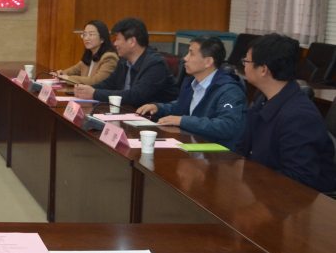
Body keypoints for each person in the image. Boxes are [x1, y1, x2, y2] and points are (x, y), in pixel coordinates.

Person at [234, 34, 336, 193]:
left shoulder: (299, 116)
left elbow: (299, 178)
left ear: (263, 70)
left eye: (246, 61)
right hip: (261, 188)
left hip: (299, 199)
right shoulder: (262, 101)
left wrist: (251, 180)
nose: (244, 66)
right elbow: (243, 147)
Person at [137, 36, 247, 150]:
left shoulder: (229, 90)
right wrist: (157, 108)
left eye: (191, 54)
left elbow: (227, 126)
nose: (185, 58)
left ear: (208, 61)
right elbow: (181, 107)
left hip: (217, 154)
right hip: (191, 146)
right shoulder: (193, 83)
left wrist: (182, 121)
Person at [73, 17, 179, 108]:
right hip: (129, 113)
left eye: (118, 39)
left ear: (132, 41)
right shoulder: (123, 60)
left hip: (154, 120)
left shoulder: (155, 64)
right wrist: (87, 90)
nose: (115, 43)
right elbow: (109, 83)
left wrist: (94, 93)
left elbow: (135, 96)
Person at [54, 20, 118, 85]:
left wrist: (68, 78)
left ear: (102, 39)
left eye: (91, 34)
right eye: (84, 35)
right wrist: (61, 73)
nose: (86, 38)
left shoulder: (109, 57)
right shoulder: (90, 55)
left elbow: (96, 81)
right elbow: (75, 70)